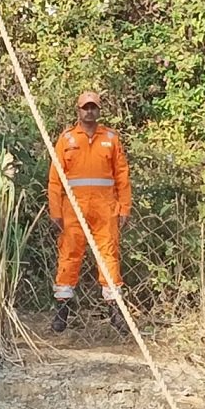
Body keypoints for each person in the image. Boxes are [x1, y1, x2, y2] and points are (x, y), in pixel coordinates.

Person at [48, 91, 131, 333]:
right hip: (73, 209)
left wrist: (125, 207)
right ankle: (62, 310)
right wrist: (56, 211)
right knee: (69, 255)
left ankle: (115, 310)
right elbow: (54, 180)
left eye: (93, 107)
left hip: (105, 208)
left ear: (99, 110)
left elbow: (122, 177)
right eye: (85, 108)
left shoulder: (111, 139)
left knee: (108, 255)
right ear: (78, 111)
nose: (89, 111)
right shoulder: (66, 139)